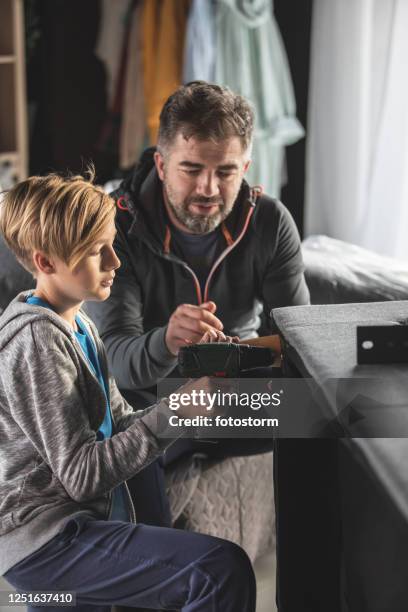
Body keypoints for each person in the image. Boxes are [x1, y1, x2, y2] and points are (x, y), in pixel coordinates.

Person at [0, 170, 256, 612]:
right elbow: (82, 476)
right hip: (45, 542)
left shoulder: (78, 324)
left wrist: (190, 400)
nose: (115, 262)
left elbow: (119, 425)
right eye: (97, 252)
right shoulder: (36, 341)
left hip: (69, 528)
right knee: (217, 570)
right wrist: (177, 412)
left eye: (112, 244)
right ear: (46, 263)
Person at [86, 80, 310, 527]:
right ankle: (175, 450)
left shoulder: (271, 221)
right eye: (191, 169)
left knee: (334, 411)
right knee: (115, 419)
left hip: (232, 395)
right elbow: (116, 361)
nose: (208, 189)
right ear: (161, 164)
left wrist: (237, 357)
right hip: (145, 399)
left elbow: (302, 341)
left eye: (226, 172)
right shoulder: (114, 225)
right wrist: (168, 342)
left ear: (246, 165)